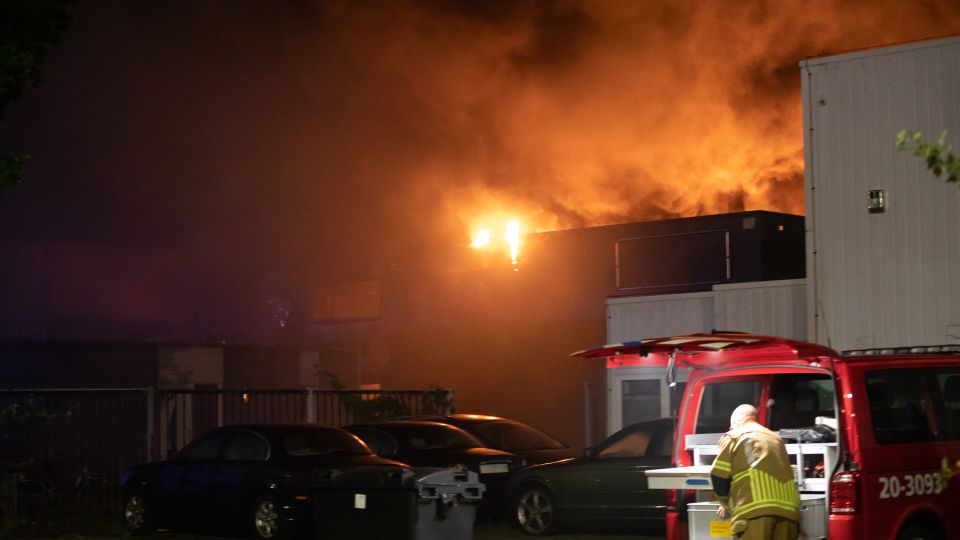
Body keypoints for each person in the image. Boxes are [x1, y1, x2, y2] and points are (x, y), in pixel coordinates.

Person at [709, 404, 800, 540]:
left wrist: (725, 504)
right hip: (789, 512)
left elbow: (719, 476)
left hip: (755, 512)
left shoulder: (734, 435)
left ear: (736, 422)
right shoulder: (776, 439)